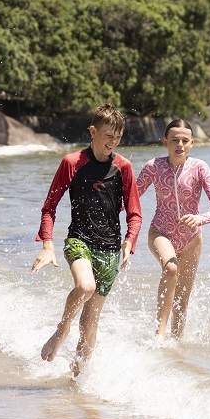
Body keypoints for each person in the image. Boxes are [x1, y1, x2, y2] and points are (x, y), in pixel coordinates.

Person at [32, 103, 142, 374]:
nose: (113, 141)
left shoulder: (123, 167)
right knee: (85, 286)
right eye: (108, 134)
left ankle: (77, 380)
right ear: (93, 131)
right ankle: (61, 330)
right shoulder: (72, 163)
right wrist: (48, 245)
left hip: (110, 251)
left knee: (90, 326)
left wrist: (129, 242)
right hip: (79, 241)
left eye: (118, 136)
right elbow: (50, 207)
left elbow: (135, 214)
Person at [136, 119, 210, 341]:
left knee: (182, 300)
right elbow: (131, 198)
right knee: (171, 269)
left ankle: (177, 347)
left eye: (185, 141)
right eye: (175, 140)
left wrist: (200, 218)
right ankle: (159, 335)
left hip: (192, 239)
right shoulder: (153, 167)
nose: (180, 144)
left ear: (192, 143)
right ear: (166, 142)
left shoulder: (199, 168)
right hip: (160, 232)